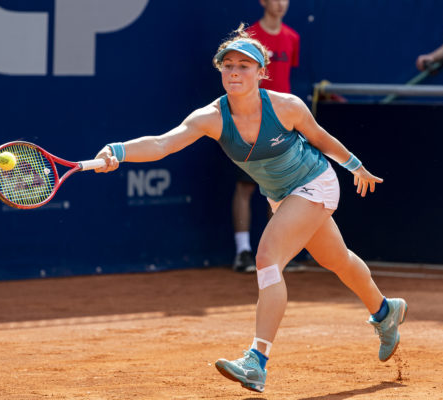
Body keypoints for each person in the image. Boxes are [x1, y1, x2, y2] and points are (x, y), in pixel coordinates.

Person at [93, 26, 407, 393]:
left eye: (245, 65)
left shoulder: (287, 106)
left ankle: (257, 361)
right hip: (282, 195)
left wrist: (356, 166)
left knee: (267, 258)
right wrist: (117, 150)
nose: (235, 72)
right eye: (228, 66)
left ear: (261, 72)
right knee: (336, 259)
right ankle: (385, 312)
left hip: (316, 183)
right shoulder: (210, 117)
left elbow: (321, 138)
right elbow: (163, 144)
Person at [231, 0, 300, 273]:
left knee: (281, 190)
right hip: (251, 123)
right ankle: (243, 252)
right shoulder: (249, 39)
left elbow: (284, 81)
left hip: (282, 126)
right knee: (246, 187)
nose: (281, 3)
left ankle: (276, 254)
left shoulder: (293, 37)